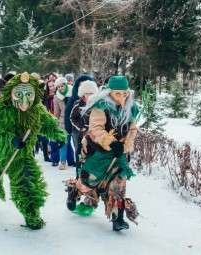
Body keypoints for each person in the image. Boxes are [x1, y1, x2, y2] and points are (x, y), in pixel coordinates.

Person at [0, 72, 66, 229]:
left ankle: (31, 214)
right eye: (19, 94)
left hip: (22, 156)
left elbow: (48, 123)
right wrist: (11, 140)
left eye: (29, 94)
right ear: (10, 92)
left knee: (28, 183)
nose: (24, 100)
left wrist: (58, 135)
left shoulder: (36, 109)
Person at [66, 76, 139, 231]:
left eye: (124, 94)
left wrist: (125, 144)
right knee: (89, 182)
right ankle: (74, 192)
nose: (122, 97)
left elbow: (132, 129)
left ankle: (117, 219)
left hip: (119, 154)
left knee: (118, 183)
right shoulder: (100, 106)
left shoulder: (131, 108)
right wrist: (110, 141)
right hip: (99, 151)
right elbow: (96, 128)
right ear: (110, 92)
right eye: (117, 94)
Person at [70, 80, 98, 177]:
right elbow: (72, 118)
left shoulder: (97, 104)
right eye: (86, 93)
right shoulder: (78, 104)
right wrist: (80, 127)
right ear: (83, 93)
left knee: (92, 155)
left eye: (91, 93)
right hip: (82, 134)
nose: (88, 95)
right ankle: (79, 175)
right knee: (80, 155)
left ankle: (91, 176)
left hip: (95, 134)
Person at [53, 77, 76, 170]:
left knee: (76, 143)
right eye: (58, 87)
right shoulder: (57, 97)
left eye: (62, 86)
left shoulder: (74, 93)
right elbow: (56, 111)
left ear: (65, 85)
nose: (61, 88)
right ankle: (63, 161)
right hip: (62, 122)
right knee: (64, 142)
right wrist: (56, 123)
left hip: (74, 121)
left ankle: (80, 160)